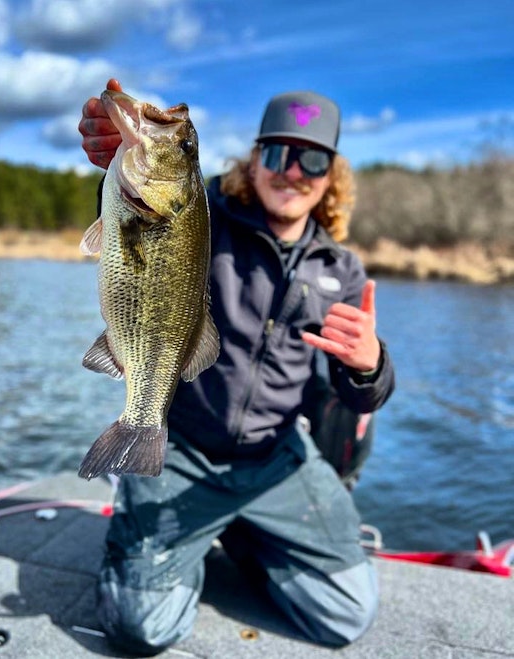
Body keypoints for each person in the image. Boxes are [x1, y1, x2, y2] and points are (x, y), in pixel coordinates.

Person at [78, 79, 395, 655]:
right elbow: (142, 218)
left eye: (312, 160)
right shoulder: (207, 216)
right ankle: (199, 530)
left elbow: (358, 400)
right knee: (138, 627)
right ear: (255, 159)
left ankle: (241, 534)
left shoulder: (341, 269)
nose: (292, 172)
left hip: (278, 460)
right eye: (278, 154)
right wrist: (114, 156)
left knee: (347, 614)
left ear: (331, 175)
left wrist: (369, 367)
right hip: (186, 451)